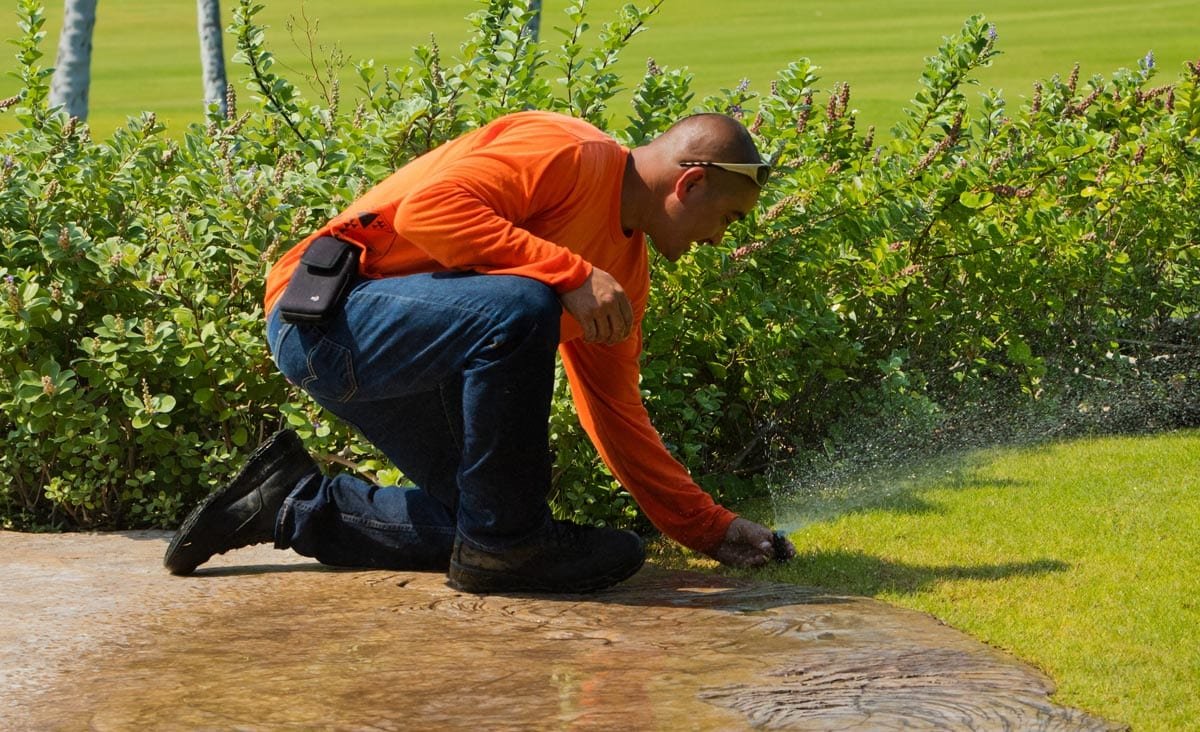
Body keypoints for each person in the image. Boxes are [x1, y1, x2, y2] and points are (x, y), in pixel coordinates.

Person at [164, 110, 795, 593]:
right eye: (731, 219)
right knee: (526, 305)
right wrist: (567, 273)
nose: (722, 239)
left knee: (486, 513)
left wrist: (708, 527)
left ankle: (292, 505)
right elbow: (427, 214)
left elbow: (614, 413)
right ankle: (507, 547)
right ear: (690, 184)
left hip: (399, 352)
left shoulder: (623, 279)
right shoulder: (569, 153)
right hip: (324, 323)